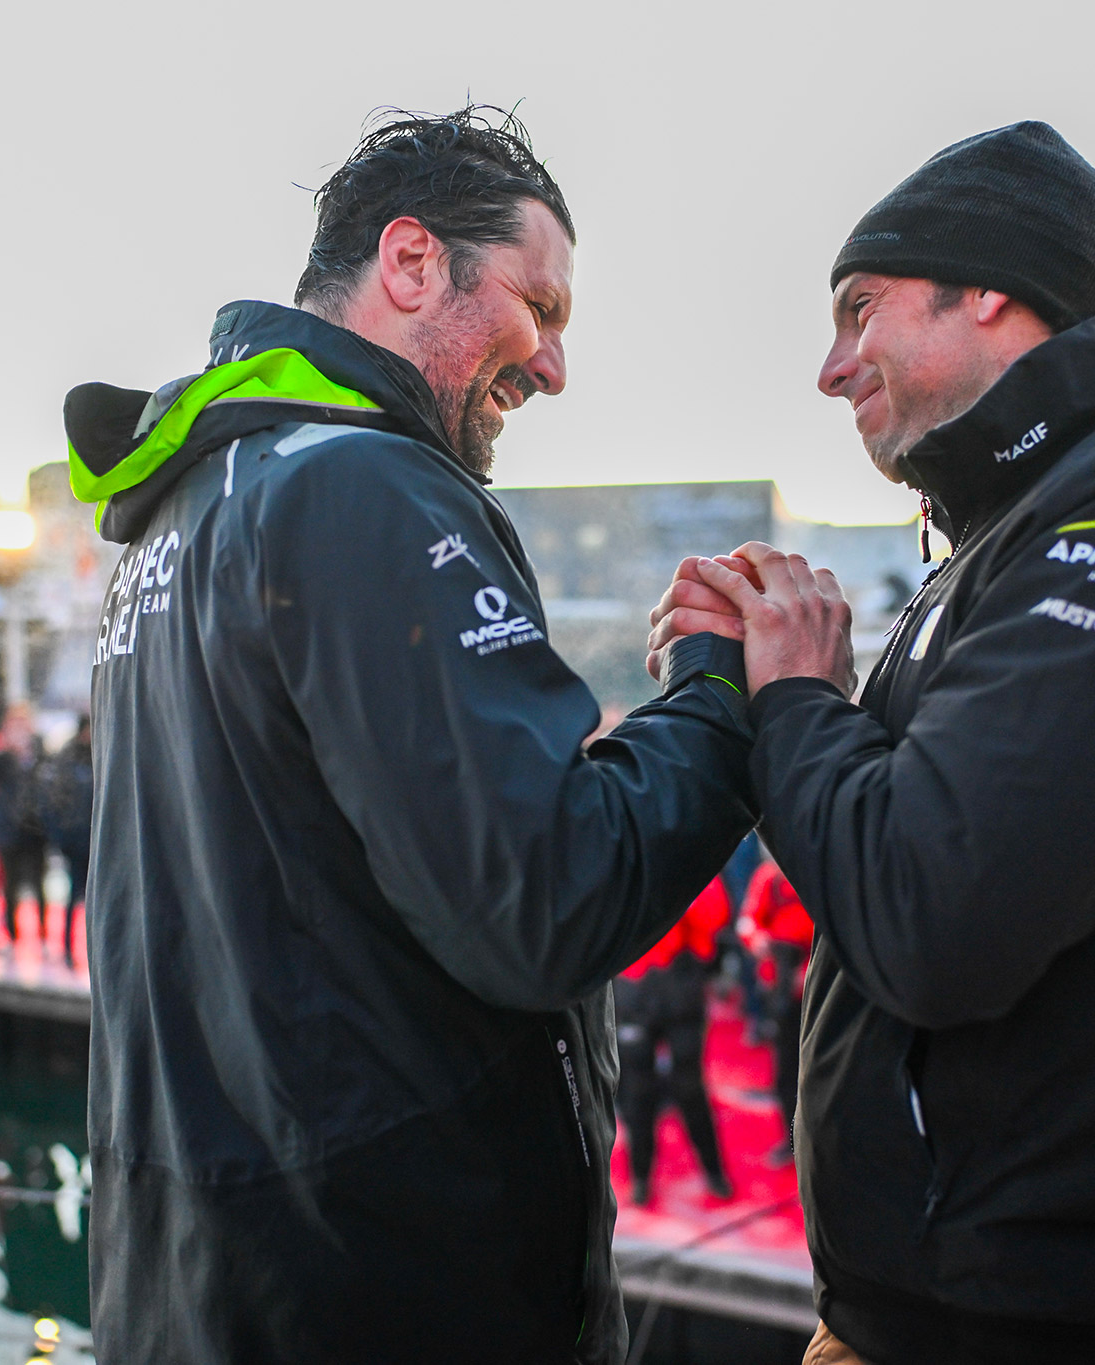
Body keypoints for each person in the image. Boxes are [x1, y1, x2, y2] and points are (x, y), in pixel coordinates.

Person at [649, 121, 1095, 1365]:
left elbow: (928, 914)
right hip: (906, 1307)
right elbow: (874, 847)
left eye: (857, 309)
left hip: (1040, 1329)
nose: (829, 366)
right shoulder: (1003, 531)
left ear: (988, 287)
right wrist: (756, 681)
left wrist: (801, 694)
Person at [63, 106, 754, 1363]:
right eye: (538, 309)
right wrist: (725, 695)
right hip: (388, 1283)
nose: (551, 366)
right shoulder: (363, 486)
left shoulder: (181, 512)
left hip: (194, 1282)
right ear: (412, 262)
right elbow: (543, 897)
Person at [616, 875, 735, 1205]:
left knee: (689, 1087)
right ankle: (640, 1177)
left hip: (678, 985)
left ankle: (713, 1171)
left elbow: (714, 915)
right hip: (632, 987)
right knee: (637, 1091)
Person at [740, 853, 813, 1163]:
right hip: (780, 988)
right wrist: (758, 941)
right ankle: (793, 1140)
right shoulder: (768, 879)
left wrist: (811, 970)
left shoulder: (816, 876)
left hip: (814, 983)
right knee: (786, 1069)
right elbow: (748, 921)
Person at [0, 703, 47, 945]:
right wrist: (3, 749)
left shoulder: (38, 749)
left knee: (39, 882)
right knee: (11, 883)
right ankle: (12, 934)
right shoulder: (3, 754)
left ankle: (42, 932)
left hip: (35, 829)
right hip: (8, 828)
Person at [39, 717, 92, 967]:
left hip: (91, 840)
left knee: (91, 897)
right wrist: (60, 837)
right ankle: (68, 949)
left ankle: (88, 950)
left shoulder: (95, 758)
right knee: (74, 895)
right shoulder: (68, 763)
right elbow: (54, 804)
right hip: (75, 840)